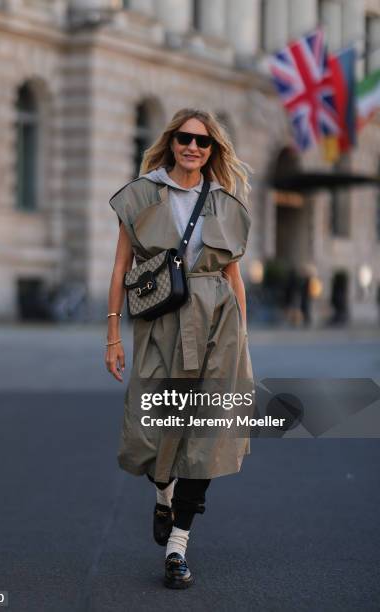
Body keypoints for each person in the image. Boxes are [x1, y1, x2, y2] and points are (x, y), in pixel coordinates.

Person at [105, 108, 255, 589]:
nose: (193, 147)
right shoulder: (142, 195)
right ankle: (164, 495)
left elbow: (234, 276)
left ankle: (178, 546)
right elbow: (120, 266)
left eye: (203, 142)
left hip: (218, 325)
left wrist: (243, 341)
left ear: (212, 151)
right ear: (172, 142)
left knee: (206, 436)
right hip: (161, 324)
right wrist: (112, 333)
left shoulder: (225, 202)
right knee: (154, 428)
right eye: (185, 138)